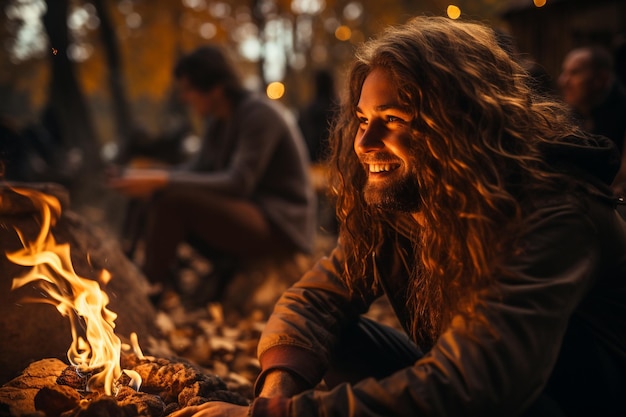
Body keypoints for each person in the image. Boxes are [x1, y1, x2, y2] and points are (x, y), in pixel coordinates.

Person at [171, 16, 626, 417]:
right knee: (330, 337)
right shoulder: (415, 201)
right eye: (363, 118)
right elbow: (313, 299)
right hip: (483, 390)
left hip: (555, 403)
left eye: (392, 118)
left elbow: (480, 386)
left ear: (462, 121)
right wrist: (273, 396)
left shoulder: (554, 213)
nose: (365, 142)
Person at [108, 46, 316, 305]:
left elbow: (238, 182)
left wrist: (161, 180)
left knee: (173, 201)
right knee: (156, 194)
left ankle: (149, 294)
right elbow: (196, 168)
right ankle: (131, 273)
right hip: (251, 213)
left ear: (216, 88)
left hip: (281, 224)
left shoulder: (260, 114)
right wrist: (144, 177)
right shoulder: (218, 120)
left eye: (188, 89)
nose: (184, 97)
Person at [558, 46, 626, 198]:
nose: (563, 81)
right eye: (565, 72)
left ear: (600, 79)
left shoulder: (622, 112)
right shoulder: (572, 112)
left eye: (574, 73)